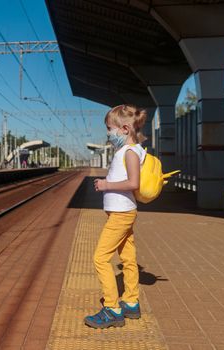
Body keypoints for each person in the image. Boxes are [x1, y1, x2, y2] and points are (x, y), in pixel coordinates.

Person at [84, 104, 147, 329]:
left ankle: (112, 308)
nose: (108, 134)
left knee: (100, 258)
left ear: (125, 129)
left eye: (110, 129)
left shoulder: (130, 152)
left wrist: (105, 184)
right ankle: (131, 302)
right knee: (128, 259)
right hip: (122, 213)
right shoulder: (127, 151)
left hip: (121, 214)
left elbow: (133, 183)